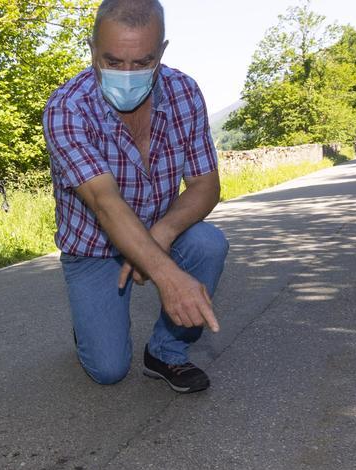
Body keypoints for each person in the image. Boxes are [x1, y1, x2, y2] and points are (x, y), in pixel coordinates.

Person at [42, 0, 228, 393]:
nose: (127, 75)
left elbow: (205, 185)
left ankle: (167, 351)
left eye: (142, 62)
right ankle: (91, 325)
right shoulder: (66, 109)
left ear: (161, 51)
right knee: (108, 369)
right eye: (113, 61)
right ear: (92, 49)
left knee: (208, 243)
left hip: (161, 228)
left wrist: (160, 238)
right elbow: (104, 203)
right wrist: (167, 276)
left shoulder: (184, 92)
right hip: (95, 248)